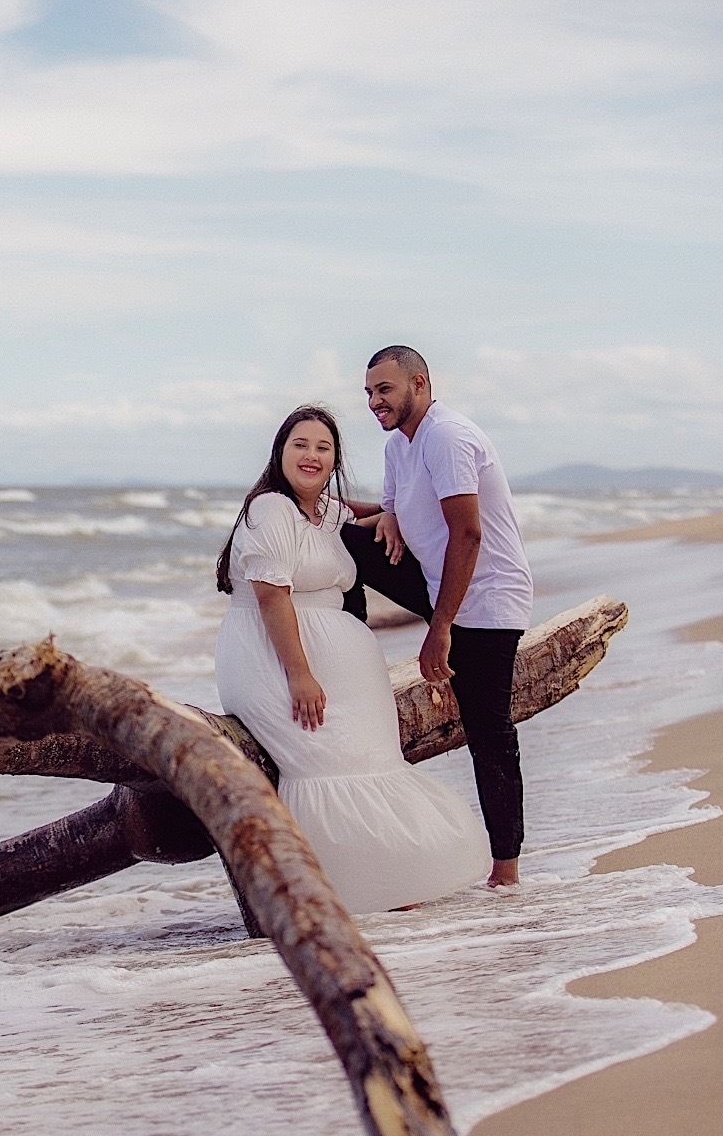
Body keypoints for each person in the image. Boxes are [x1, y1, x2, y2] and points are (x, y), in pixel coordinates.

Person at [214, 405, 491, 914]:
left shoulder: (321, 510)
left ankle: (390, 884)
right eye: (301, 444)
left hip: (341, 665)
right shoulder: (271, 510)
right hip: (274, 660)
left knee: (372, 761)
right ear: (280, 452)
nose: (312, 455)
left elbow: (363, 513)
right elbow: (274, 599)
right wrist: (300, 675)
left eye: (324, 448)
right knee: (326, 763)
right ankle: (328, 894)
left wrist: (388, 513)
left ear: (334, 459)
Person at [340, 346, 533, 888]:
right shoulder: (400, 445)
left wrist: (439, 629)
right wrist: (310, 499)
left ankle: (506, 872)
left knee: (488, 731)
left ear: (419, 385)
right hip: (438, 581)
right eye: (370, 392)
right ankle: (351, 654)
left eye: (386, 390)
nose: (375, 401)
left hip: (488, 599)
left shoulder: (447, 438)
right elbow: (386, 514)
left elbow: (467, 534)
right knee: (343, 539)